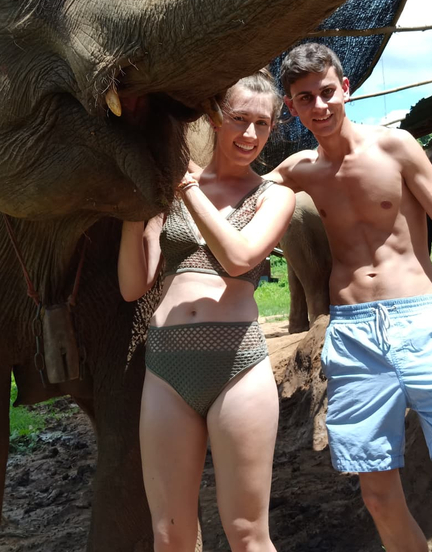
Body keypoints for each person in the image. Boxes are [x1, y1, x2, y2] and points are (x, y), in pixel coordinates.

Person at [267, 43, 432, 552]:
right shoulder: (296, 172)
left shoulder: (396, 147)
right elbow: (235, 191)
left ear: (345, 88)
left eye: (327, 91)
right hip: (352, 335)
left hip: (421, 322)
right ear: (291, 107)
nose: (320, 105)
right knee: (378, 497)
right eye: (305, 98)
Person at [118, 70, 296, 552]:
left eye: (263, 124)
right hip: (167, 368)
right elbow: (134, 286)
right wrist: (138, 209)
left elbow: (239, 258)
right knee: (169, 534)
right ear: (215, 118)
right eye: (239, 119)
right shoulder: (168, 193)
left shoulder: (275, 195)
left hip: (238, 368)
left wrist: (187, 187)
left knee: (247, 533)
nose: (250, 135)